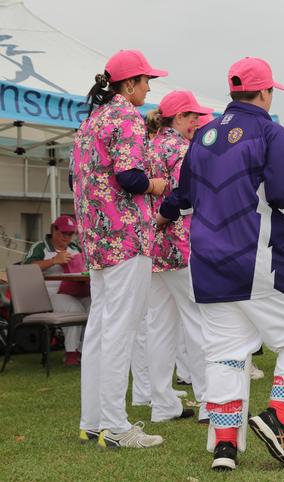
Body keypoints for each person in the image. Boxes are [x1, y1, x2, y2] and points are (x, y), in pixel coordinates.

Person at [157, 57, 284, 471]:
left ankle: (225, 448)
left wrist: (163, 216)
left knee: (224, 354)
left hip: (207, 262)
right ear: (265, 92)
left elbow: (181, 197)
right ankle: (277, 418)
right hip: (261, 258)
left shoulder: (202, 135)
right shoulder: (271, 131)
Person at [71, 49, 168, 448]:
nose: (149, 88)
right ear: (128, 84)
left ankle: (93, 420)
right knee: (119, 331)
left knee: (99, 328)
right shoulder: (127, 116)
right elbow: (129, 176)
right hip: (126, 236)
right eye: (146, 81)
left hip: (97, 236)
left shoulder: (93, 119)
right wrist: (157, 185)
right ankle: (115, 425)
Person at [145, 90, 213, 423]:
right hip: (181, 244)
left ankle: (162, 404)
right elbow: (184, 196)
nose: (197, 123)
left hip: (152, 248)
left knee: (160, 326)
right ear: (180, 117)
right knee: (198, 322)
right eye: (193, 117)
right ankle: (208, 400)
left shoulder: (147, 144)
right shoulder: (183, 149)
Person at [23, 215, 89, 366]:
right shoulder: (41, 247)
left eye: (70, 234)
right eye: (63, 233)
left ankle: (85, 351)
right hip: (47, 294)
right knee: (74, 308)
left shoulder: (75, 249)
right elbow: (24, 269)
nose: (66, 237)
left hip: (75, 291)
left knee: (94, 306)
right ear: (54, 229)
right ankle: (71, 354)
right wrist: (53, 261)